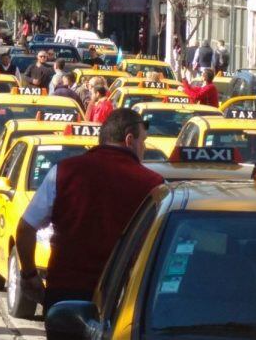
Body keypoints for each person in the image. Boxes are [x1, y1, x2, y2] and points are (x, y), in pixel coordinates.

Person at [15, 109, 163, 314]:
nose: (144, 148)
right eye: (143, 141)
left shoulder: (63, 172)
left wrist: (30, 275)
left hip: (65, 298)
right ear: (130, 140)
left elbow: (25, 228)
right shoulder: (154, 185)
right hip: (122, 299)